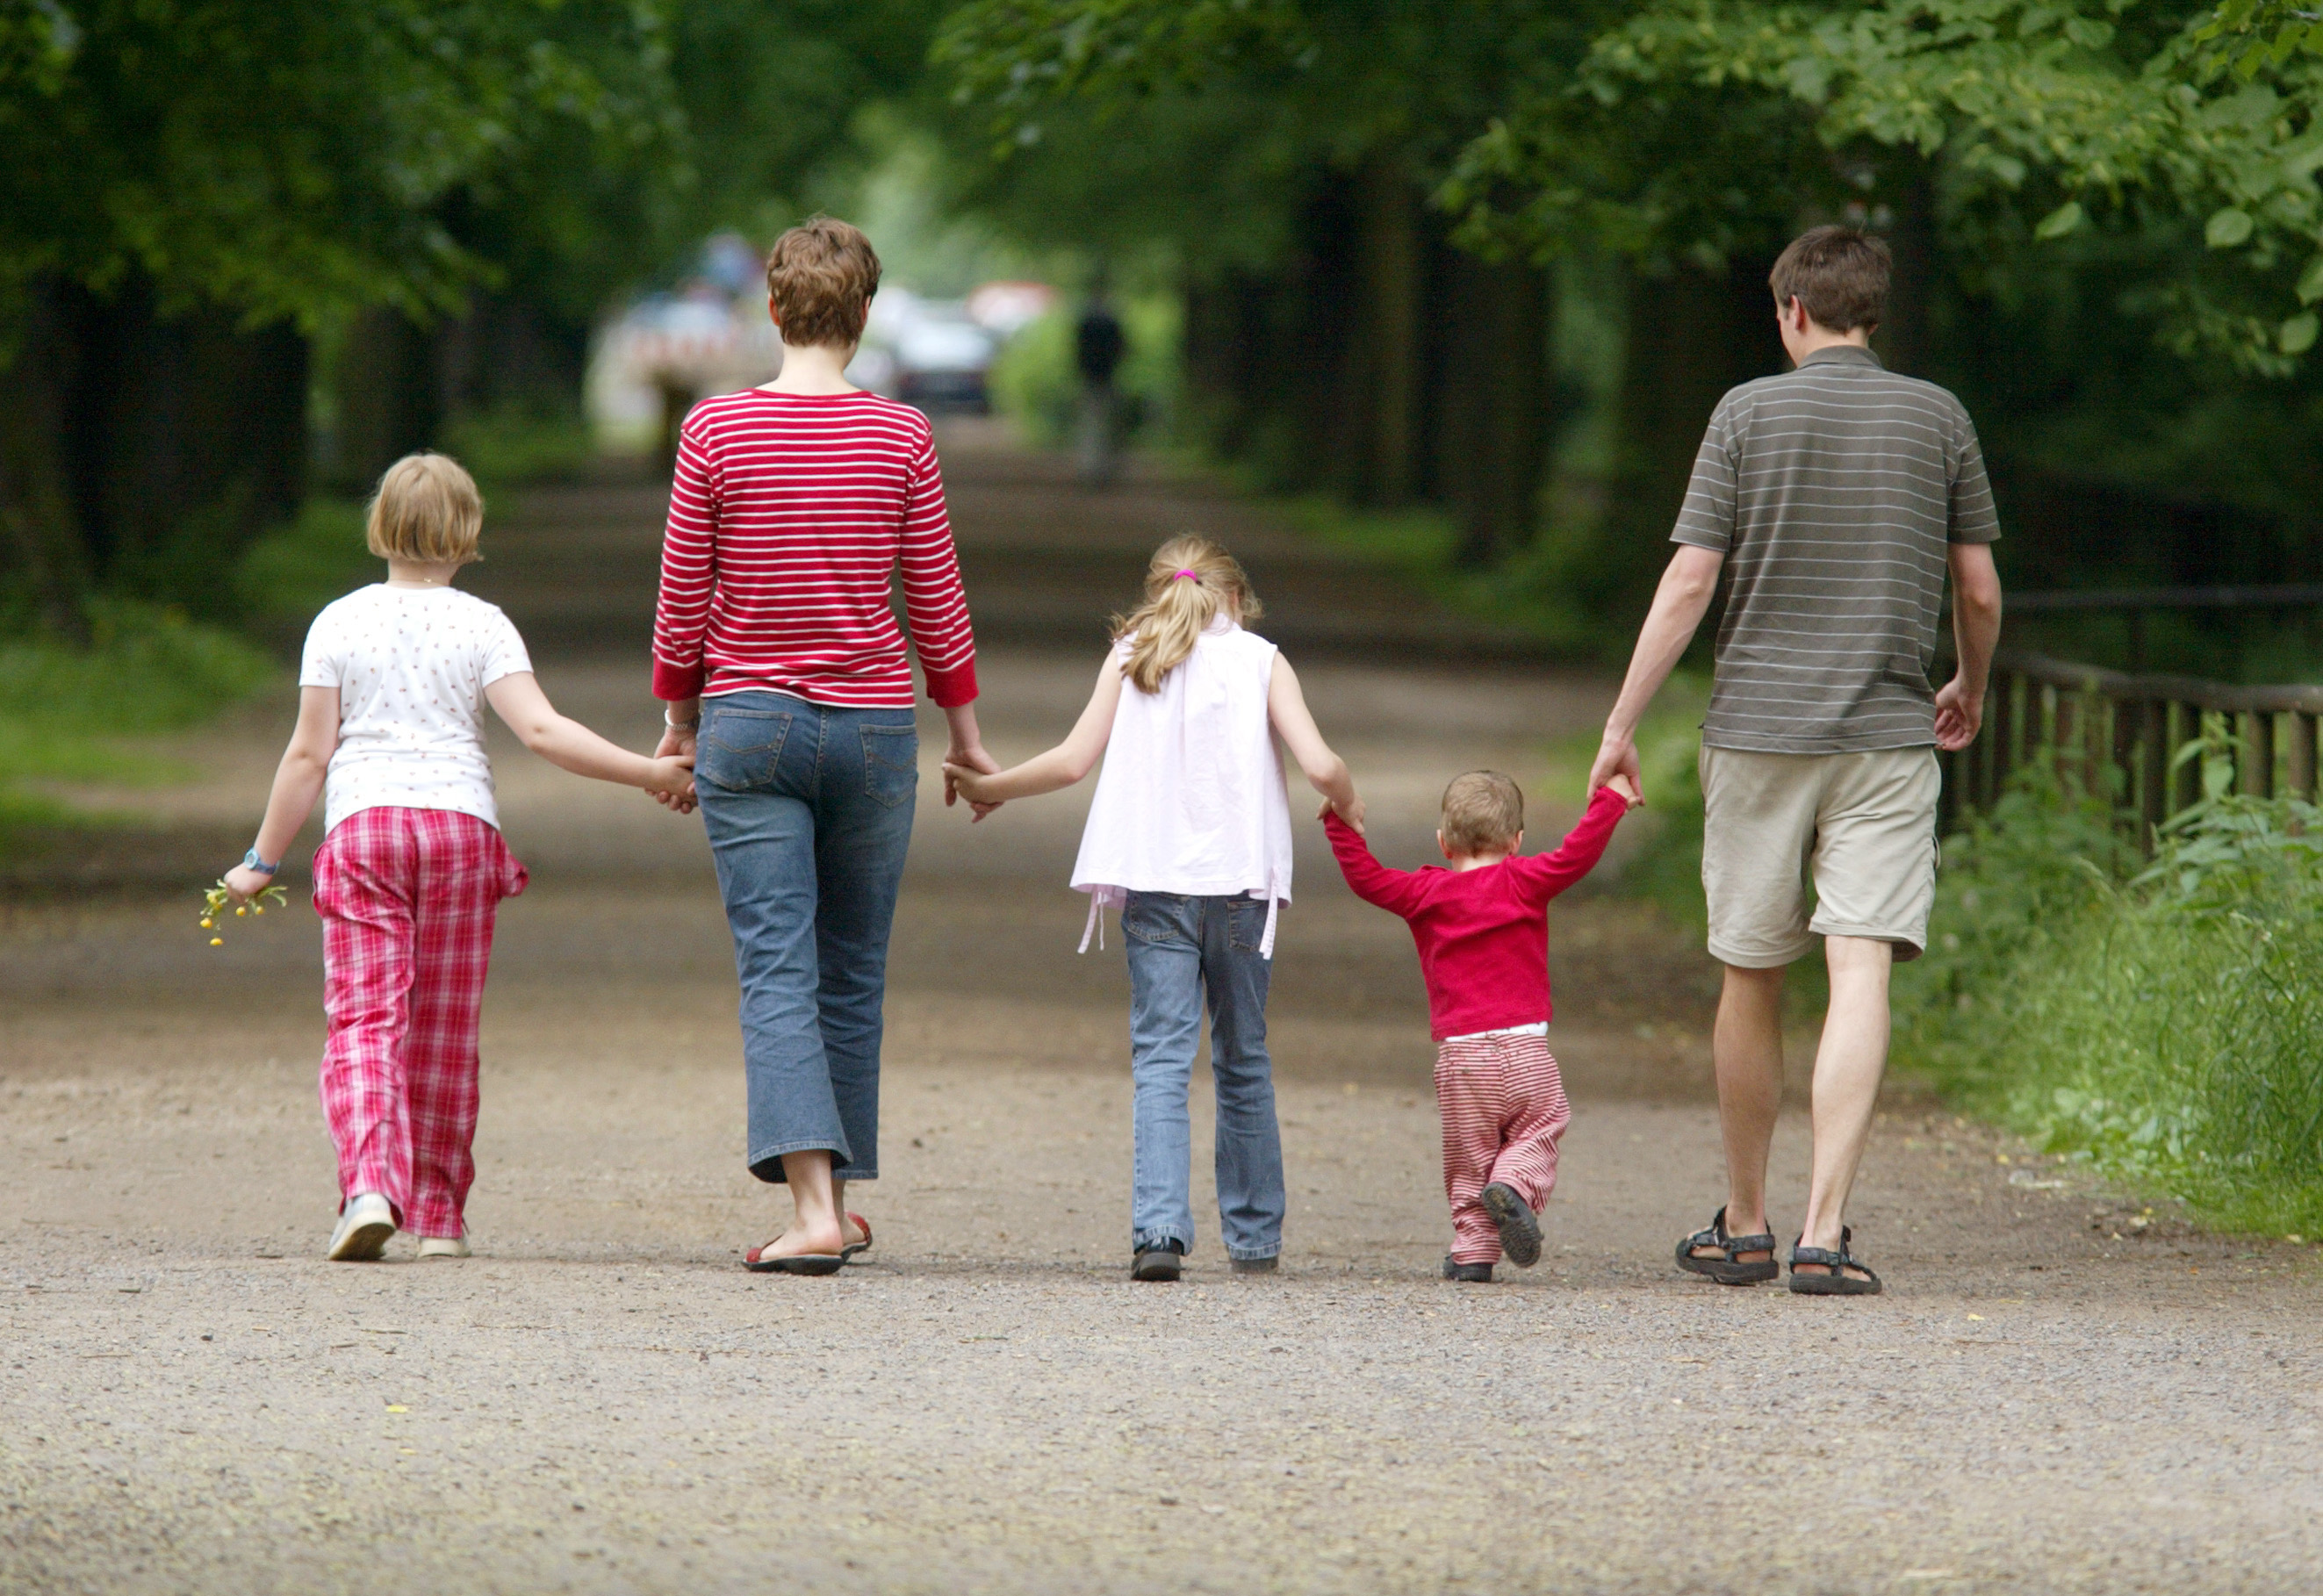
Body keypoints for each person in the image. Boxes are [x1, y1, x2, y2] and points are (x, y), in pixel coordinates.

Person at [1585, 225, 2005, 1297]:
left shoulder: (1745, 413)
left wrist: (1621, 723)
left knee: (1752, 969)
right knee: (1859, 967)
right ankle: (1825, 1232)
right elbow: (1982, 589)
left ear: (1790, 311)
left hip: (1759, 733)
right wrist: (1970, 683)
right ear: (1874, 311)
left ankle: (1747, 1222)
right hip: (1886, 735)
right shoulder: (1940, 417)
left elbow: (1688, 586)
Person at [223, 452, 695, 1262]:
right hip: (458, 834)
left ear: (380, 528)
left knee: (366, 1021)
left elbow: (308, 757)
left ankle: (372, 1184)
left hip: (366, 831)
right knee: (442, 1029)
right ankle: (439, 1215)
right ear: (468, 532)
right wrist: (650, 771)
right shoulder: (483, 624)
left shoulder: (338, 622)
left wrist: (260, 861)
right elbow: (544, 733)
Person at [651, 216, 998, 1276]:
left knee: (776, 968)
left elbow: (682, 597)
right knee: (850, 970)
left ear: (772, 307)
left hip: (750, 723)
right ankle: (831, 1206)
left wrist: (678, 716)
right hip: (874, 734)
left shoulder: (715, 431)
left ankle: (812, 1210)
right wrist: (967, 736)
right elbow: (936, 596)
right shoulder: (901, 436)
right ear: (866, 313)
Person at [945, 536, 1359, 1281]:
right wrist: (1348, 803)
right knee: (1244, 1056)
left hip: (1155, 887)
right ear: (1236, 599)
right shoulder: (1262, 659)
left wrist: (988, 788)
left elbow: (1073, 762)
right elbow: (1322, 765)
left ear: (1160, 595)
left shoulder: (1133, 654)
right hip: (1241, 892)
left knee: (1162, 1060)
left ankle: (1159, 1233)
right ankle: (1256, 1240)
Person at [1326, 771, 1638, 1283]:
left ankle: (1473, 1251)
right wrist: (1611, 800)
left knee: (1469, 1158)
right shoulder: (1526, 879)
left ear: (1443, 843)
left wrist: (1341, 825)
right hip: (1526, 1051)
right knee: (1541, 1126)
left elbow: (1368, 878)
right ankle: (1515, 1186)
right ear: (1516, 842)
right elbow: (1577, 852)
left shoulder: (1425, 892)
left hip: (1463, 1060)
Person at [1074, 286, 1127, 488]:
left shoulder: (1086, 322)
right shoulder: (1111, 322)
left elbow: (1078, 350)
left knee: (1091, 424)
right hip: (1108, 377)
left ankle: (1091, 467)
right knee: (1108, 424)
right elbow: (1121, 349)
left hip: (1090, 378)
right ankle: (1105, 467)